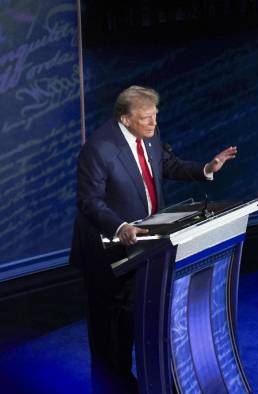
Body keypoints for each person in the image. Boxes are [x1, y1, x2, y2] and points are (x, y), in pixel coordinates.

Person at [69, 86, 237, 390]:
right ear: (125, 118)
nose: (153, 124)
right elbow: (89, 201)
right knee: (109, 330)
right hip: (107, 251)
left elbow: (167, 164)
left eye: (155, 117)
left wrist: (206, 168)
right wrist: (120, 227)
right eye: (146, 118)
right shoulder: (99, 148)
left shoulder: (150, 134)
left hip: (146, 246)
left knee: (133, 318)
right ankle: (111, 383)